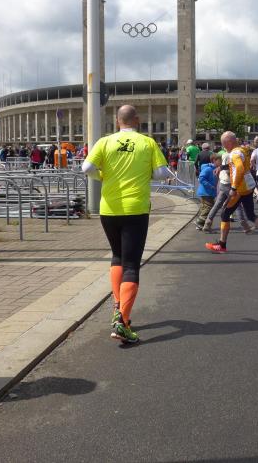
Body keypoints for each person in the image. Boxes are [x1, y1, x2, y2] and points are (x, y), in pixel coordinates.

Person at [82, 105, 171, 344]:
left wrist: (101, 176)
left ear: (117, 121)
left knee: (117, 256)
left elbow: (86, 167)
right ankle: (122, 322)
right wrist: (146, 174)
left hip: (108, 209)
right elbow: (162, 173)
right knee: (131, 264)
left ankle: (117, 306)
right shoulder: (147, 143)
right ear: (137, 120)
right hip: (136, 209)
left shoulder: (104, 142)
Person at [205, 131, 258, 253]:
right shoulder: (242, 150)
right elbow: (235, 166)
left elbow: (239, 168)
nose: (223, 146)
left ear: (229, 143)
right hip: (247, 186)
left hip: (240, 188)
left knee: (225, 213)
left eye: (223, 143)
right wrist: (222, 167)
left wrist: (233, 188)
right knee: (251, 216)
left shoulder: (234, 153)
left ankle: (222, 245)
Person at [195, 155, 219, 230]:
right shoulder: (208, 169)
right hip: (206, 192)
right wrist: (210, 186)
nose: (221, 162)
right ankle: (199, 222)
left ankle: (201, 224)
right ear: (214, 160)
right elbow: (201, 178)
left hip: (209, 192)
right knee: (209, 207)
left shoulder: (215, 169)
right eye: (220, 160)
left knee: (205, 207)